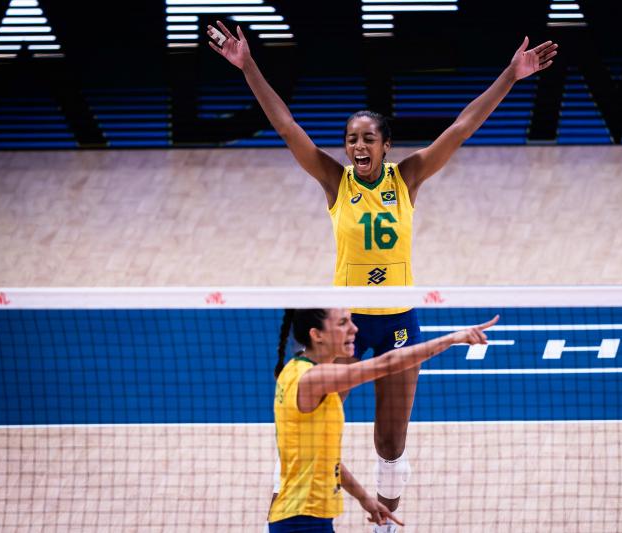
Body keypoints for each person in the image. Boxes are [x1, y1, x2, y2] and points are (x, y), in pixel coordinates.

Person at [208, 22, 557, 531]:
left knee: (389, 442)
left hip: (397, 320)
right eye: (351, 139)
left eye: (367, 138)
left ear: (386, 145)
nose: (357, 146)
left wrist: (510, 75)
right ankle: (287, 491)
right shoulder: (334, 182)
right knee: (313, 426)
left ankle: (384, 522)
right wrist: (248, 67)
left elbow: (461, 127)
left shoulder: (407, 176)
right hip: (346, 327)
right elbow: (286, 126)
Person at [269, 308, 498, 532]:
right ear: (316, 335)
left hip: (301, 515)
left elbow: (325, 459)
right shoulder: (315, 380)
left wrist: (364, 498)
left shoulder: (292, 371)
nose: (354, 329)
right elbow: (386, 364)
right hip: (303, 519)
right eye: (342, 323)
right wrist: (452, 339)